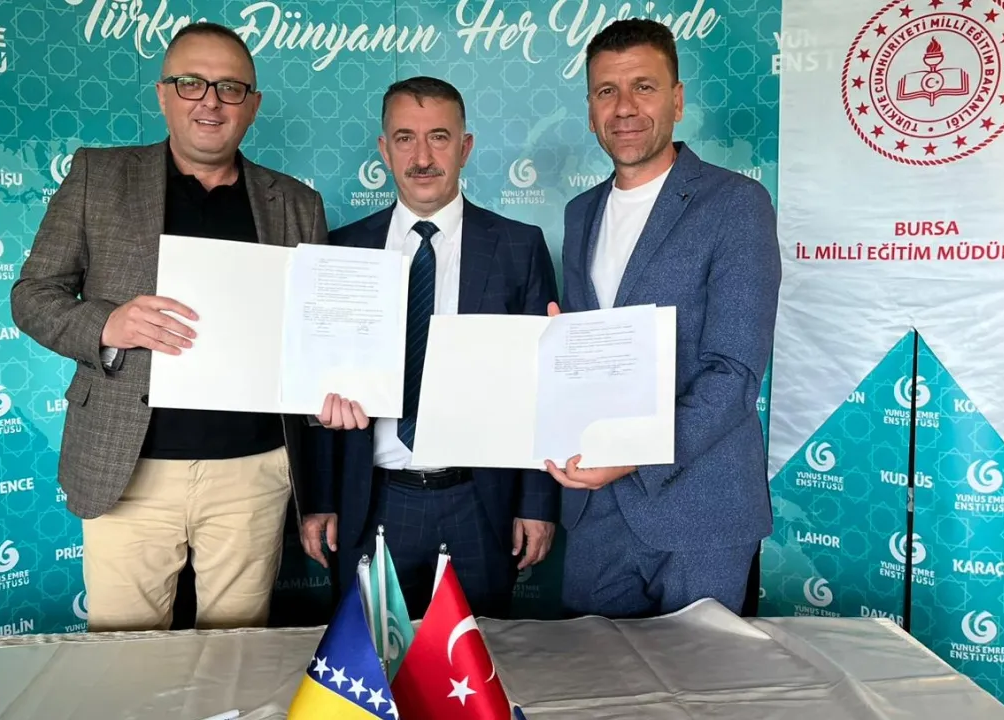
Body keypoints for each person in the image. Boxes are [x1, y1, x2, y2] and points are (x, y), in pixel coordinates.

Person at [10, 22, 329, 632]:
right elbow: (32, 297)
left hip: (253, 472)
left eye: (231, 88)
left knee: (236, 654)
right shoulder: (98, 176)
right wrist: (108, 323)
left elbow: (316, 335)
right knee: (125, 660)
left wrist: (336, 388)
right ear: (162, 94)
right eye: (191, 83)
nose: (210, 101)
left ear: (253, 105)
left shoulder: (296, 203)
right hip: (128, 467)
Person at [302, 77, 560, 619]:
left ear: (465, 147)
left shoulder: (518, 246)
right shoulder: (343, 247)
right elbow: (321, 383)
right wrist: (320, 499)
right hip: (373, 502)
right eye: (405, 138)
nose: (422, 157)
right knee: (371, 660)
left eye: (439, 137)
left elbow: (544, 383)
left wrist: (536, 502)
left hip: (479, 503)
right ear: (384, 149)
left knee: (479, 660)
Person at [547, 18, 780, 618]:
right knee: (591, 673)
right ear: (590, 109)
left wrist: (631, 452)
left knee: (699, 677)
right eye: (606, 91)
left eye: (643, 87)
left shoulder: (737, 203)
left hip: (702, 510)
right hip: (595, 512)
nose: (624, 107)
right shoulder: (579, 213)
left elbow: (734, 374)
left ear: (677, 101)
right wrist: (555, 348)